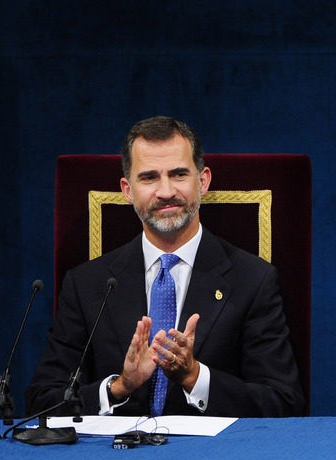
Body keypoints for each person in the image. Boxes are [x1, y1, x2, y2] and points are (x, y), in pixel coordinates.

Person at [26, 116, 304, 418]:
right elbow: (42, 400)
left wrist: (195, 378)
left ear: (203, 181)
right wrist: (119, 387)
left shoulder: (253, 279)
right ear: (127, 190)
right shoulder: (87, 284)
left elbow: (283, 401)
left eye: (179, 174)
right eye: (149, 178)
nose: (166, 191)